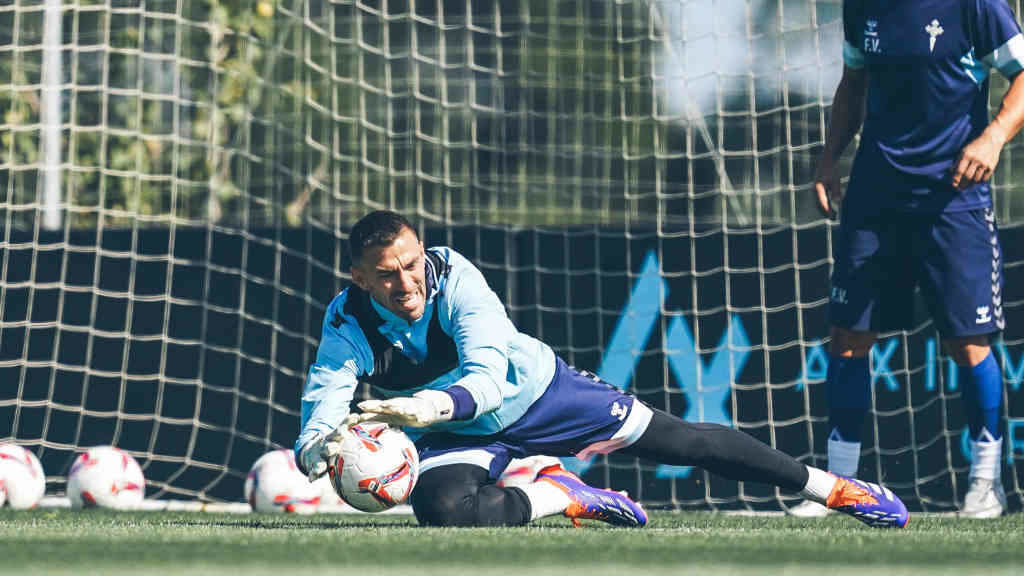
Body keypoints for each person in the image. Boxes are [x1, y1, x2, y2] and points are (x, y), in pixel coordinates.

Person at [296, 210, 909, 528]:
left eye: (410, 263)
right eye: (386, 274)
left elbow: (485, 375)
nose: (406, 281)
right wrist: (315, 448)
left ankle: (834, 489)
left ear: (421, 249)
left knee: (686, 441)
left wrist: (428, 407)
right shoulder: (347, 317)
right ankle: (558, 492)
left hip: (535, 395)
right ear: (359, 278)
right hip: (457, 435)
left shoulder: (456, 278)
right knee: (442, 512)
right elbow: (326, 390)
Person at [789, 0, 1024, 519]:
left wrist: (994, 136)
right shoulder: (863, 6)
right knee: (849, 338)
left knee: (968, 343)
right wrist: (830, 160)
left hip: (954, 199)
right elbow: (854, 83)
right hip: (875, 196)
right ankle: (840, 487)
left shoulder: (977, 6)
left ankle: (986, 484)